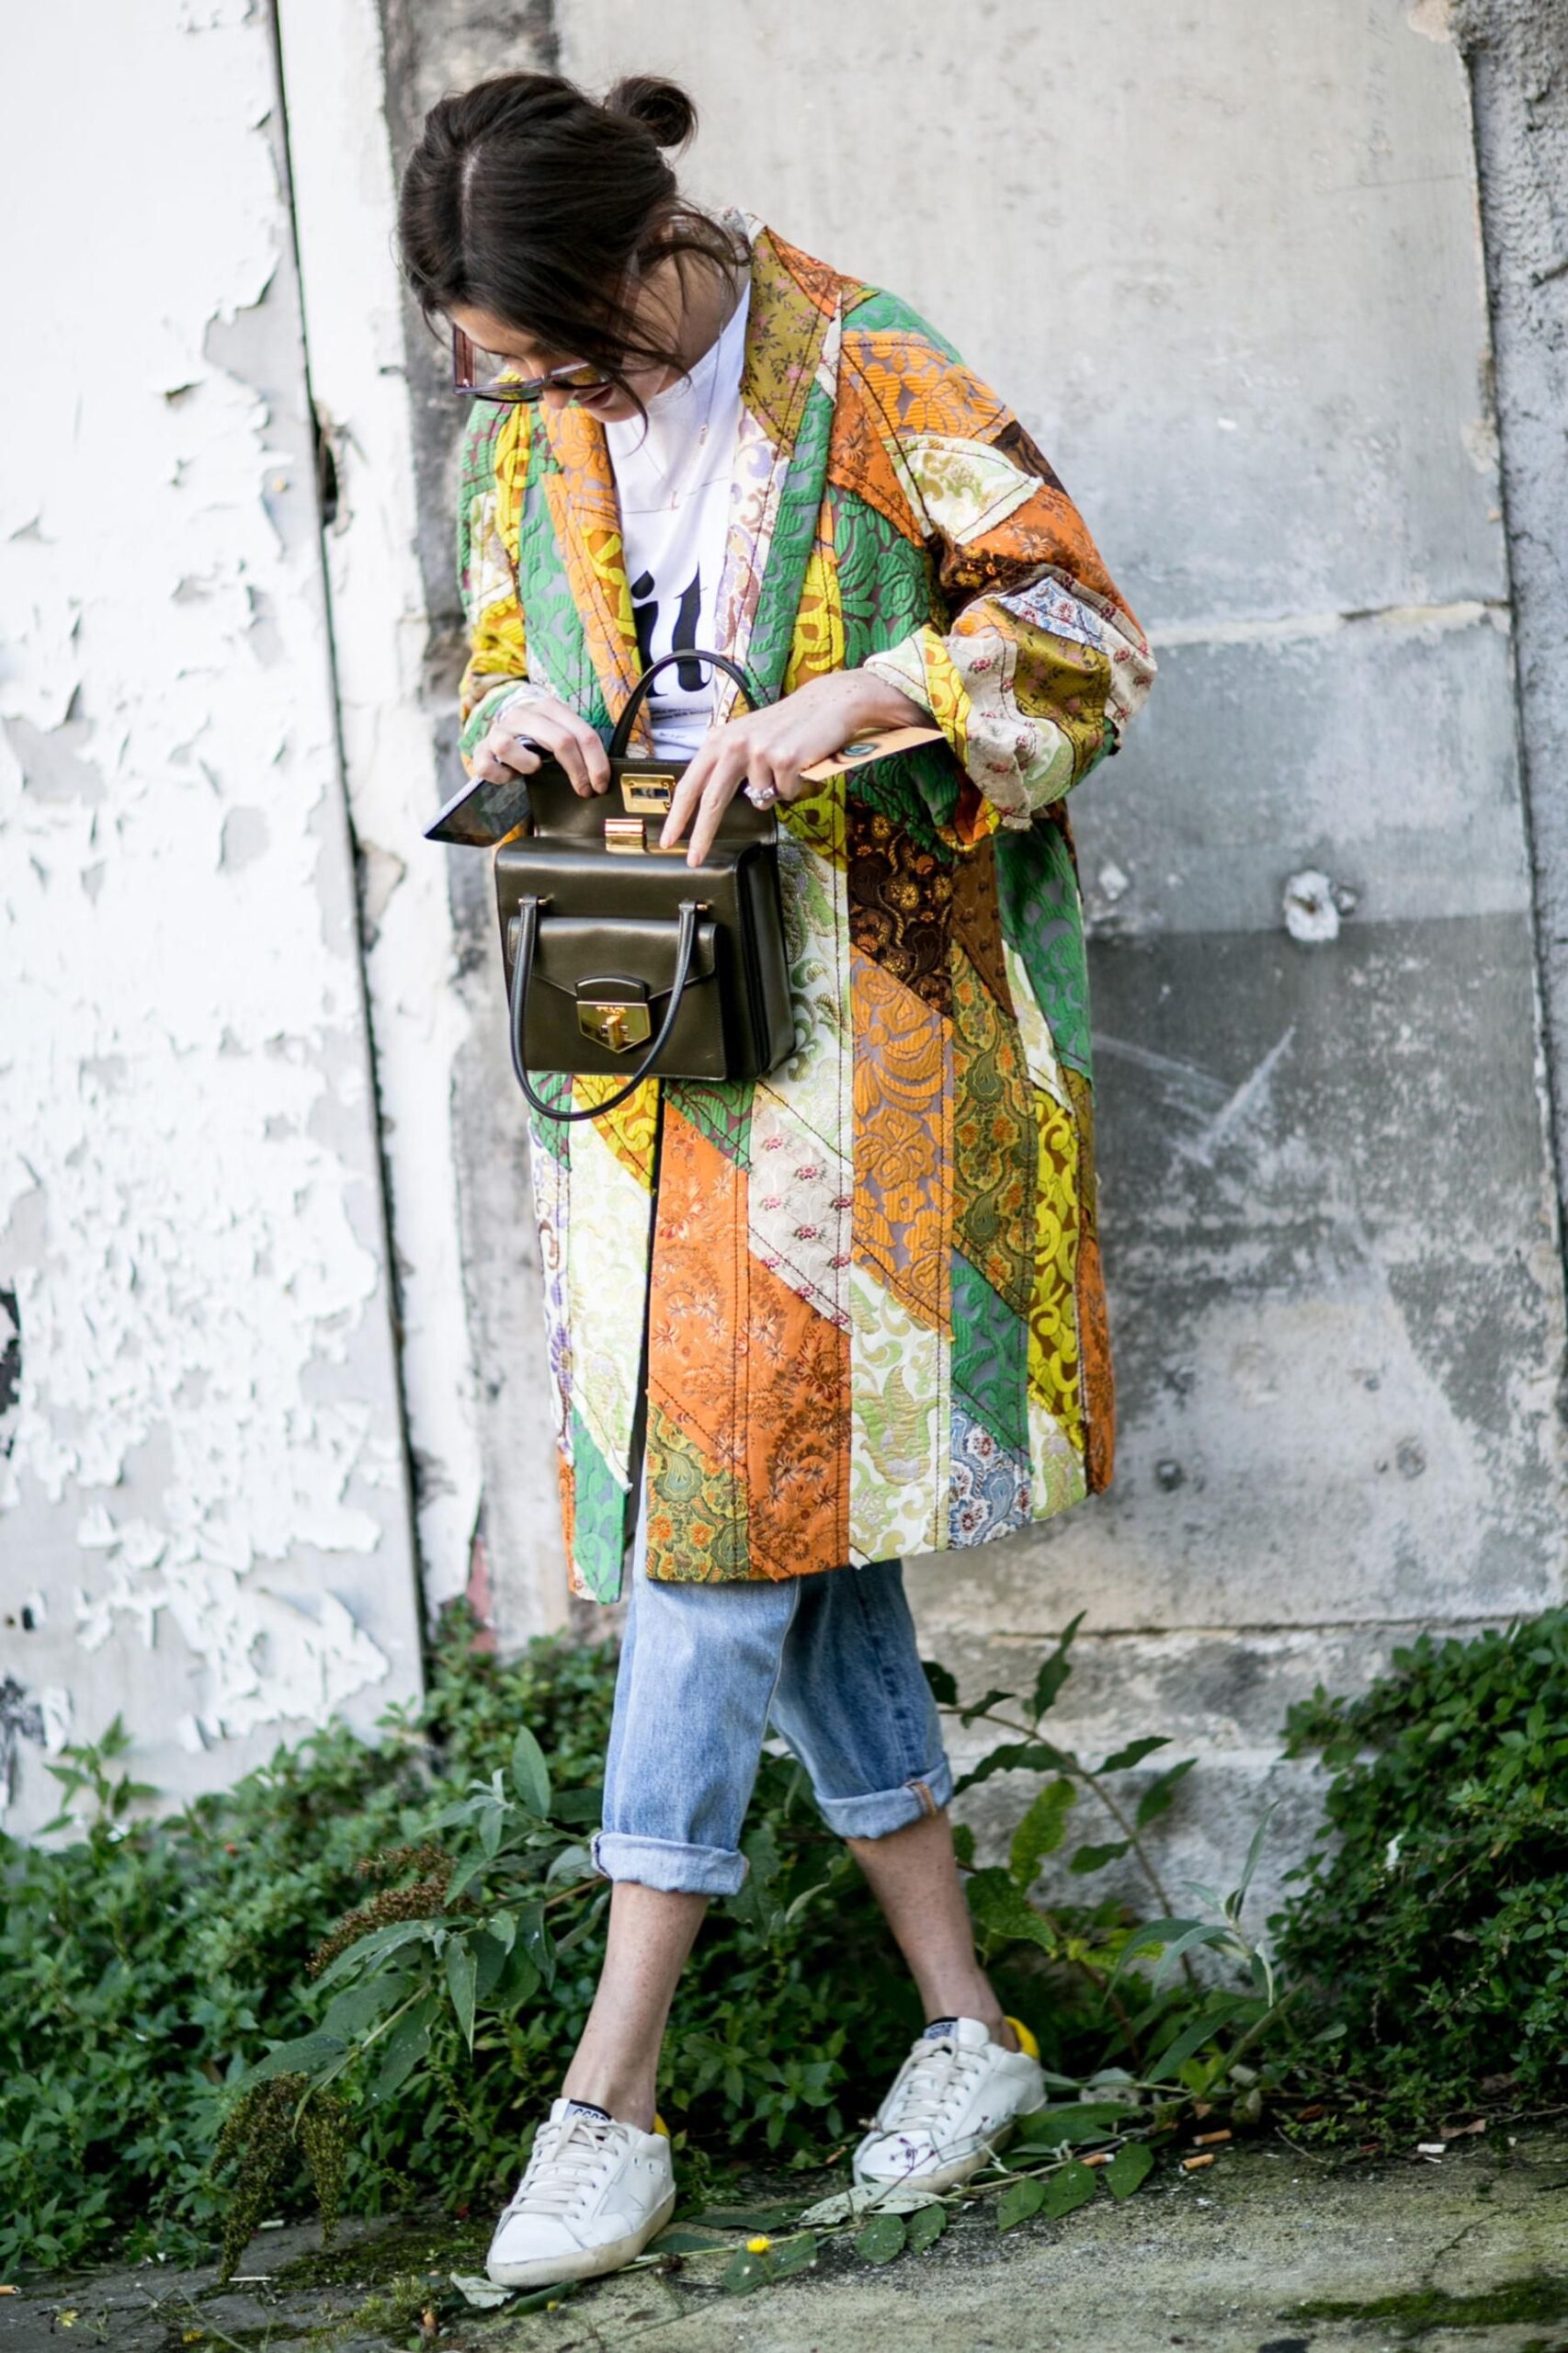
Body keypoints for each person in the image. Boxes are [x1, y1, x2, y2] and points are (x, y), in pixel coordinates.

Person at [397, 67, 1155, 2290]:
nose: (542, 405)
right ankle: (965, 2026)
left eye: (563, 358)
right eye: (507, 376)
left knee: (710, 1540)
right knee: (781, 1529)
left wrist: (853, 703)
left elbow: (1088, 644)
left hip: (872, 1073)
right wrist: (523, 718)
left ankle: (606, 2091)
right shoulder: (529, 423)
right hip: (648, 1066)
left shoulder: (871, 362)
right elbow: (499, 637)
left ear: (653, 262)